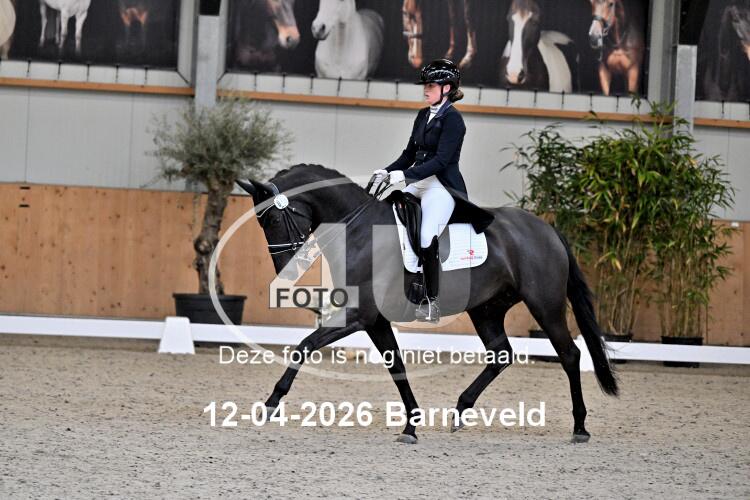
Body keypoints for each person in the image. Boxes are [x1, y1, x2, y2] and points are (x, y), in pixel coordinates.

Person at [372, 58, 489, 323]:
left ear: (447, 88)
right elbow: (409, 154)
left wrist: (405, 175)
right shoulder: (423, 115)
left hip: (441, 185)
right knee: (389, 215)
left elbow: (441, 161)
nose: (426, 89)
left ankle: (430, 300)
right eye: (425, 85)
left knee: (426, 235)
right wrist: (387, 171)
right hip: (419, 182)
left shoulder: (454, 120)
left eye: (431, 85)